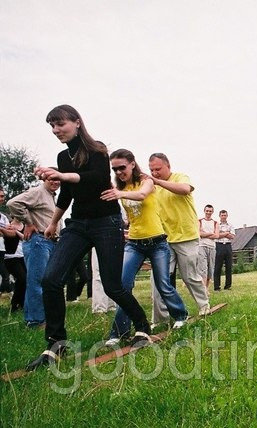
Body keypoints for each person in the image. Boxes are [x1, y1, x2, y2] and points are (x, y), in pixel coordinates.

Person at [27, 105, 152, 371]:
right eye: (51, 125)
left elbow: (94, 179)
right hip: (78, 224)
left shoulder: (98, 150)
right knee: (50, 279)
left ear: (76, 122)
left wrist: (62, 176)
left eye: (60, 124)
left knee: (111, 286)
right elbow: (66, 194)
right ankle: (56, 343)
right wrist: (53, 222)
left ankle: (142, 327)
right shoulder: (63, 156)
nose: (55, 130)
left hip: (106, 223)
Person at [101, 149, 188, 345]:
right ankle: (119, 332)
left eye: (122, 167)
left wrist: (118, 193)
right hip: (134, 243)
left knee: (163, 284)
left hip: (157, 242)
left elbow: (141, 195)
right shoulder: (119, 186)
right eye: (114, 169)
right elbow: (129, 217)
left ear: (132, 163)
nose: (119, 172)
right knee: (122, 286)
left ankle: (181, 315)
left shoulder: (146, 181)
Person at [148, 153, 210, 323]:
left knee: (189, 276)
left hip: (186, 236)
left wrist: (158, 182)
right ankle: (160, 319)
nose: (155, 173)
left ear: (168, 166)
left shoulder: (180, 177)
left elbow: (184, 189)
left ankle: (204, 306)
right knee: (160, 279)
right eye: (151, 170)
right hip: (164, 239)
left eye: (158, 169)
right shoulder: (152, 187)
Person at [7, 175, 61, 325]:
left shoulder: (51, 196)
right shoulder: (38, 192)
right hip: (38, 241)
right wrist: (29, 223)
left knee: (39, 282)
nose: (55, 182)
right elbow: (13, 203)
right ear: (44, 179)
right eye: (51, 178)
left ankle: (34, 318)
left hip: (48, 242)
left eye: (58, 179)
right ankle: (36, 321)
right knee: (37, 282)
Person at [1, 217, 27, 313]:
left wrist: (16, 231)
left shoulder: (25, 226)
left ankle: (21, 304)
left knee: (25, 280)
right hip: (11, 258)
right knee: (22, 279)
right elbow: (7, 234)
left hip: (22, 257)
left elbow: (25, 237)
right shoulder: (8, 225)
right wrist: (11, 231)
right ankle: (15, 305)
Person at [213, 209, 235, 290]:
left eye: (225, 215)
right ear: (219, 216)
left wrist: (222, 233)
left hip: (228, 246)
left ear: (227, 216)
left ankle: (228, 286)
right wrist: (226, 233)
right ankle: (216, 286)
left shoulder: (230, 225)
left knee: (229, 266)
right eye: (222, 215)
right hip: (219, 245)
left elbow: (232, 236)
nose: (223, 217)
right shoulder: (216, 225)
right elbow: (216, 235)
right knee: (218, 266)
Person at [198, 204, 218, 293]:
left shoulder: (215, 223)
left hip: (212, 247)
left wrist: (205, 233)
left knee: (210, 268)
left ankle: (207, 287)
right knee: (203, 268)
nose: (208, 212)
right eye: (207, 211)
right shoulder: (199, 221)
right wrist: (211, 233)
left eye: (210, 211)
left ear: (212, 212)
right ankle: (203, 289)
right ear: (204, 211)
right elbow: (199, 234)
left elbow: (217, 235)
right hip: (202, 246)